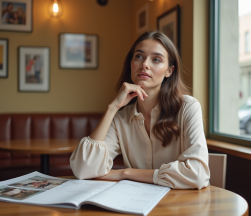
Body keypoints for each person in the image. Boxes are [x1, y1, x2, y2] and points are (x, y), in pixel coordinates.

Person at [70, 31, 210, 189]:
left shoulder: (188, 108)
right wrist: (112, 108)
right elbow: (83, 170)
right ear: (131, 64)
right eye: (139, 56)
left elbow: (197, 175)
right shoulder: (120, 118)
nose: (145, 64)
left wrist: (126, 173)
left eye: (156, 59)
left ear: (169, 71)